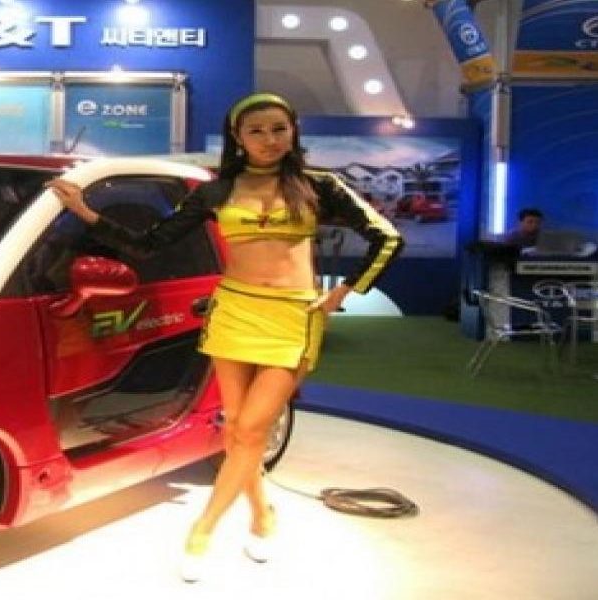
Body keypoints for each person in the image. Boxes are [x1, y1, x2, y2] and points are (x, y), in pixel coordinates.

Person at [46, 92, 403, 582]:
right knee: (236, 430)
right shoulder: (217, 191)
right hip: (234, 312)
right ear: (238, 137)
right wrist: (87, 214)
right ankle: (262, 516)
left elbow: (388, 237)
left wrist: (342, 291)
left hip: (293, 319)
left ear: (293, 132)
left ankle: (203, 530)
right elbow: (151, 243)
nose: (269, 139)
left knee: (251, 430)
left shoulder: (320, 186)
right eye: (257, 131)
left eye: (279, 129)